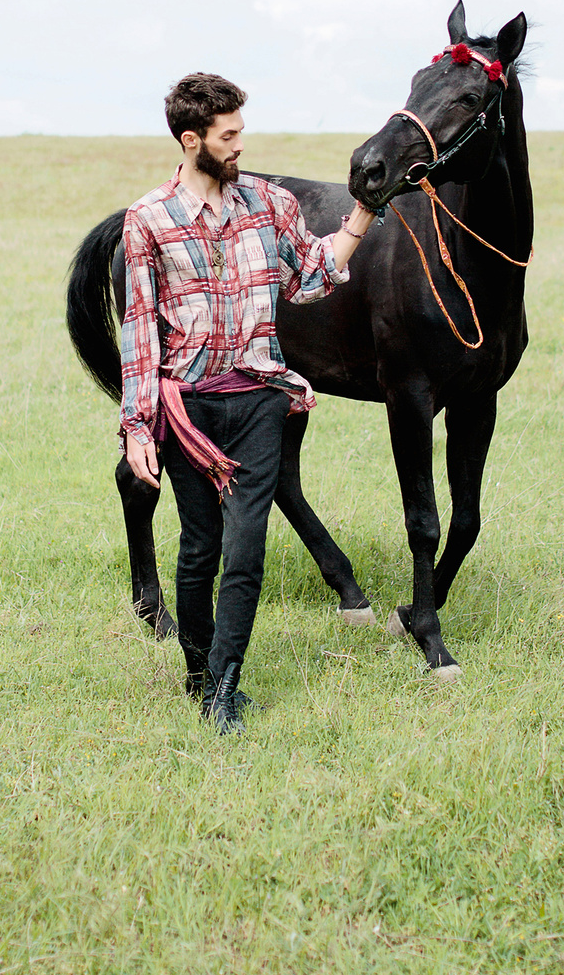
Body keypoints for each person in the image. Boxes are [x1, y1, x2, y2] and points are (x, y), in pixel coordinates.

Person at [119, 72, 375, 733]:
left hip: (260, 401)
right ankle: (199, 677)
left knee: (248, 550)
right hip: (188, 411)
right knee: (200, 549)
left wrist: (361, 217)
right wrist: (137, 427)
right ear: (191, 139)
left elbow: (313, 275)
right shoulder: (147, 220)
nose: (240, 145)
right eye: (228, 135)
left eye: (241, 132)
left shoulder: (268, 202)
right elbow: (140, 329)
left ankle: (225, 688)